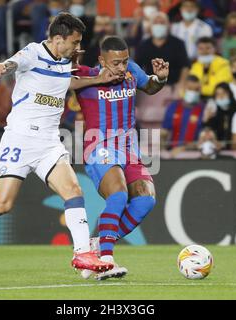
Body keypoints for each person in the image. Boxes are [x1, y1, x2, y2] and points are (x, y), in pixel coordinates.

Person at [0, 13, 119, 273]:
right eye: (74, 41)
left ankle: (82, 254)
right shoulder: (34, 53)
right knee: (2, 205)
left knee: (74, 191)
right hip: (20, 138)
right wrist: (3, 66)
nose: (77, 47)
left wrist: (98, 79)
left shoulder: (64, 60)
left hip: (49, 142)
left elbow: (65, 82)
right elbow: (15, 62)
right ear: (58, 39)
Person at [74, 36, 169, 280]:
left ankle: (99, 243)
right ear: (101, 60)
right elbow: (55, 84)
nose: (121, 67)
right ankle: (106, 260)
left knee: (146, 200)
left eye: (124, 61)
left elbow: (150, 87)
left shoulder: (131, 71)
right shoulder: (84, 75)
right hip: (99, 147)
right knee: (118, 195)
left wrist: (161, 78)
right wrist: (95, 79)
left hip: (129, 149)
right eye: (115, 63)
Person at [135, 11, 190, 90]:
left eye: (162, 23)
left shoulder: (178, 44)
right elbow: (137, 67)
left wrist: (181, 84)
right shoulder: (143, 45)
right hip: (151, 87)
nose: (159, 25)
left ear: (168, 26)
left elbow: (185, 66)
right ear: (150, 26)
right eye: (156, 23)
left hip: (173, 87)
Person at [161, 75, 205, 155]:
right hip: (173, 152)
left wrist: (183, 148)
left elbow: (204, 140)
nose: (193, 92)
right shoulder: (173, 107)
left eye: (196, 90)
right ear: (183, 89)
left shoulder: (204, 109)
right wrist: (163, 150)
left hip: (196, 153)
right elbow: (164, 132)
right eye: (190, 89)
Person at [203, 82, 236, 147]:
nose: (221, 97)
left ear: (230, 94)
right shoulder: (213, 112)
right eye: (218, 94)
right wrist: (206, 119)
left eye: (224, 93)